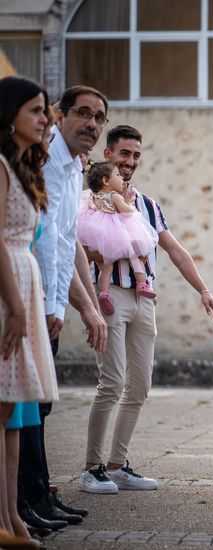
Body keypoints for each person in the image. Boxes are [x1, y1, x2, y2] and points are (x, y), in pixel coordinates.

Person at [79, 125, 213, 494]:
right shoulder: (88, 198)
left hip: (145, 299)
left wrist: (203, 290)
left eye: (136, 156)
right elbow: (74, 246)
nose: (130, 162)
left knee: (140, 386)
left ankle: (117, 465)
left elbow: (174, 250)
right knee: (111, 382)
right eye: (124, 154)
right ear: (107, 155)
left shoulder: (148, 205)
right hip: (109, 296)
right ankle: (91, 469)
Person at [21, 85, 108, 532]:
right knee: (28, 407)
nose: (91, 124)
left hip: (49, 303)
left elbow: (69, 240)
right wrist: (54, 304)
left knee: (41, 406)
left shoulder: (74, 167)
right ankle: (27, 500)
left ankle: (36, 494)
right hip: (30, 299)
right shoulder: (45, 160)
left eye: (99, 118)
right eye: (84, 114)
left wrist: (88, 308)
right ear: (59, 115)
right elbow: (45, 241)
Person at [0, 76, 59, 549]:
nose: (44, 119)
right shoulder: (0, 166)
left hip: (24, 281)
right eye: (36, 110)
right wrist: (17, 309)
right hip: (9, 291)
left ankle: (10, 519)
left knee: (11, 407)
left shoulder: (22, 166)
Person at [76, 161, 158, 315]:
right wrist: (128, 202)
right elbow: (126, 212)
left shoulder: (94, 196)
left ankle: (104, 293)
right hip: (116, 230)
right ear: (106, 181)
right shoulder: (114, 196)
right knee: (135, 254)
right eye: (118, 175)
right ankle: (142, 283)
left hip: (99, 233)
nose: (121, 178)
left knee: (105, 266)